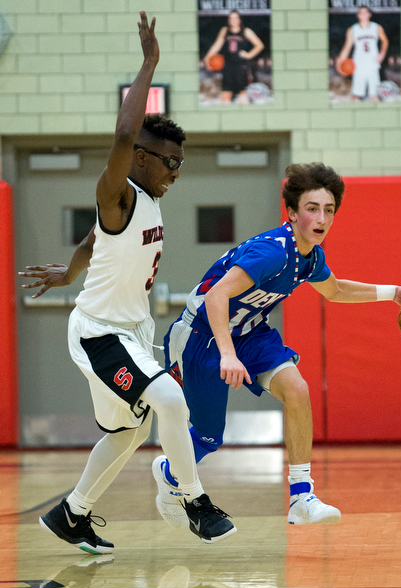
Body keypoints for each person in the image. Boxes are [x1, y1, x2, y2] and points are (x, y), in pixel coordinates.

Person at [18, 11, 235, 553]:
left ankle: (72, 514)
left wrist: (67, 272)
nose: (176, 173)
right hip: (100, 333)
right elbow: (122, 132)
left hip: (132, 332)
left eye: (181, 164)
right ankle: (194, 500)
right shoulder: (118, 190)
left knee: (129, 431)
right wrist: (150, 64)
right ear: (139, 157)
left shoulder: (145, 205)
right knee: (170, 398)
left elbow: (95, 242)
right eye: (169, 162)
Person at [153, 162, 401, 529]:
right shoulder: (273, 252)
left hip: (249, 331)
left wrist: (394, 294)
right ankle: (170, 473)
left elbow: (336, 290)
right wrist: (227, 354)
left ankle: (301, 497)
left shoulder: (309, 256)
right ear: (293, 214)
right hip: (203, 336)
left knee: (297, 389)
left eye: (328, 210)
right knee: (209, 437)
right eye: (312, 208)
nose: (321, 217)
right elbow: (217, 296)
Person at [203, 10, 264, 104]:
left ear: (239, 19)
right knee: (226, 94)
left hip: (241, 66)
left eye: (235, 18)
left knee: (243, 94)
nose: (233, 20)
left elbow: (259, 45)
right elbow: (217, 44)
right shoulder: (225, 30)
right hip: (228, 65)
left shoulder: (246, 31)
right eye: (231, 18)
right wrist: (208, 57)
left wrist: (249, 54)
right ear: (228, 20)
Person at [336, 7, 389, 102]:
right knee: (356, 96)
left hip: (373, 62)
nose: (363, 14)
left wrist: (382, 54)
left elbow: (385, 41)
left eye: (365, 12)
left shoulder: (377, 27)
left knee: (375, 96)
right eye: (361, 12)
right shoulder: (352, 29)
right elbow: (347, 46)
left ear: (369, 14)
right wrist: (340, 60)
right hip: (358, 63)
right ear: (358, 15)